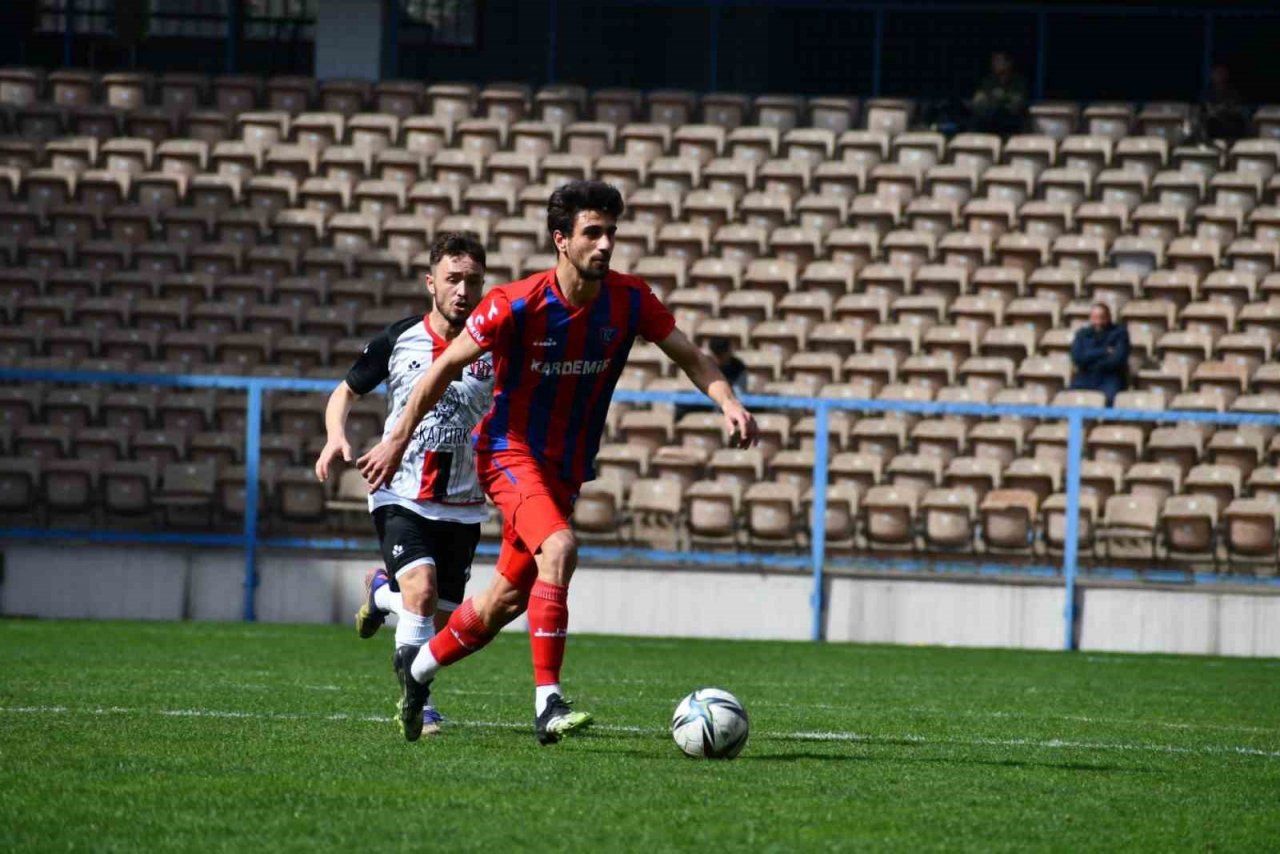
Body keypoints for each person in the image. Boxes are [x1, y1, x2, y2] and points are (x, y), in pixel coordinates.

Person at [356, 180, 759, 745]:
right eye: (592, 233)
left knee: (503, 601)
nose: (605, 244)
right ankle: (548, 702)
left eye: (611, 233)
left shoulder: (630, 300)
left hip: (564, 469)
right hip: (507, 451)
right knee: (562, 548)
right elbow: (442, 367)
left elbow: (690, 355)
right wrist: (398, 437)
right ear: (561, 241)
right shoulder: (513, 304)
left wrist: (729, 402)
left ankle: (417, 672)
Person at [314, 231, 493, 741]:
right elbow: (344, 393)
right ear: (430, 281)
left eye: (473, 281)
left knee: (434, 617)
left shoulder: (496, 346)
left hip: (461, 503)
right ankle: (421, 704)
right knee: (421, 593)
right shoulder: (399, 338)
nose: (463, 290)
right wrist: (334, 437)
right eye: (453, 279)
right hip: (400, 493)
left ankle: (379, 593)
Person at [1070, 302, 1129, 406]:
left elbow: (1116, 360)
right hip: (1086, 376)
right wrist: (1104, 351)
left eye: (1102, 318)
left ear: (1108, 317)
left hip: (1109, 377)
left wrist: (1089, 358)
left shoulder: (1120, 333)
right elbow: (1077, 358)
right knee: (1069, 397)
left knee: (1109, 399)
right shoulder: (1082, 334)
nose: (1098, 322)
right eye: (1095, 318)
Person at [970, 50, 1028, 136]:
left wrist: (1002, 97)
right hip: (988, 122)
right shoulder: (988, 81)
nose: (994, 64)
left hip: (1011, 124)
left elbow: (1017, 104)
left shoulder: (1019, 82)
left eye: (998, 60)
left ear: (1008, 63)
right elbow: (978, 101)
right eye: (993, 61)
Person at [1201, 64, 1248, 142]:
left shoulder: (1233, 91)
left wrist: (1227, 109)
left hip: (1230, 122)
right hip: (1214, 124)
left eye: (1222, 73)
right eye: (1217, 73)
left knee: (1238, 123)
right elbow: (1207, 109)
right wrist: (1218, 109)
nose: (1220, 76)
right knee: (1210, 123)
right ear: (1212, 75)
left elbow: (1238, 108)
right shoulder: (1207, 92)